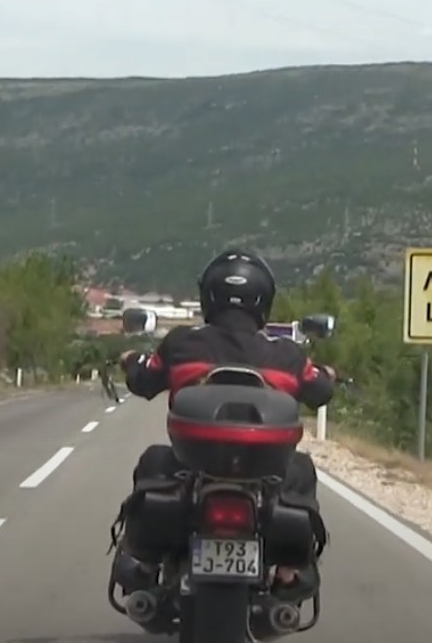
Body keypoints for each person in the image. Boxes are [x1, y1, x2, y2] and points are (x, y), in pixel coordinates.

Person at [111, 248, 336, 608]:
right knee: (301, 471)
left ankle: (146, 563)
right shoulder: (287, 354)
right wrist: (327, 375)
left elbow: (144, 381)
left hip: (192, 464)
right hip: (266, 470)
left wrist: (131, 360)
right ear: (263, 299)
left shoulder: (182, 342)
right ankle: (286, 573)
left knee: (154, 461)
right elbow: (320, 391)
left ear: (209, 296)